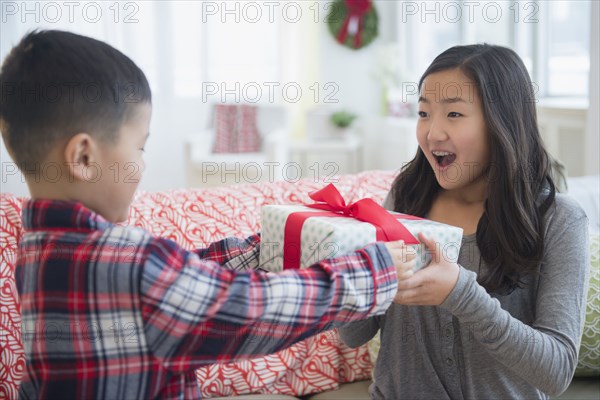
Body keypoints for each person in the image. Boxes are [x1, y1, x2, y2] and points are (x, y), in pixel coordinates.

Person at [0, 30, 416, 399]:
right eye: (139, 148)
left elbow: (179, 281)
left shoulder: (38, 251)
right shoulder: (135, 266)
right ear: (84, 157)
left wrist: (269, 250)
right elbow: (254, 311)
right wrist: (369, 270)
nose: (142, 165)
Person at [339, 44, 590, 399]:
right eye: (424, 113)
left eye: (454, 114)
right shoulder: (405, 198)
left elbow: (556, 371)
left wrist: (460, 293)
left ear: (502, 122)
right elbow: (355, 334)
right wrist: (344, 274)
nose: (433, 133)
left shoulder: (559, 220)